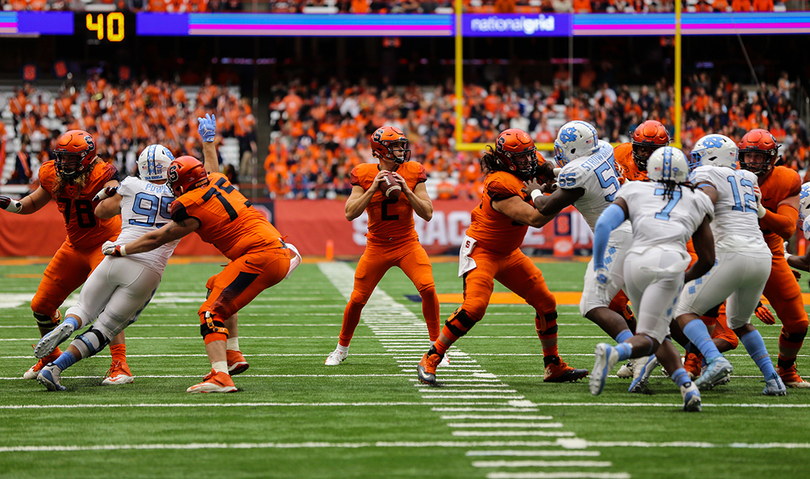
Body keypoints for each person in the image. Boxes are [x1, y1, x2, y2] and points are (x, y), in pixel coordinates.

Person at [101, 115, 301, 393]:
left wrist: (122, 248)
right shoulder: (217, 179)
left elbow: (158, 237)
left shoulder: (189, 203)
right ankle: (232, 355)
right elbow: (211, 170)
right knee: (215, 286)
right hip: (273, 249)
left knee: (210, 311)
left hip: (261, 256)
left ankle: (220, 377)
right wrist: (208, 142)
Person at [416, 128, 588, 386]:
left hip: (509, 252)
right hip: (483, 251)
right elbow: (536, 218)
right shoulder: (499, 183)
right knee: (474, 308)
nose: (528, 161)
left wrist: (558, 177)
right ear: (506, 160)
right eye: (521, 158)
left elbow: (548, 168)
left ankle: (553, 365)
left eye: (530, 155)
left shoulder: (530, 162)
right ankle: (431, 357)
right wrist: (559, 195)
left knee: (546, 303)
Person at [34, 145, 182, 391]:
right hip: (145, 268)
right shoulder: (183, 198)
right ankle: (56, 368)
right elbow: (161, 237)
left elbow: (101, 210)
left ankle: (70, 323)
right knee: (104, 328)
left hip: (112, 257)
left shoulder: (131, 184)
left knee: (83, 308)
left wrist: (108, 193)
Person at [0, 130, 133, 385]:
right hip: (74, 246)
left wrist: (111, 193)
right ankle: (50, 357)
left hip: (104, 244)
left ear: (87, 158)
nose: (63, 163)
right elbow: (29, 204)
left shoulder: (101, 172)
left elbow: (113, 194)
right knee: (41, 305)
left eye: (71, 158)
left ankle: (120, 364)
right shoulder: (52, 173)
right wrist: (8, 203)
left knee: (107, 304)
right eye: (61, 157)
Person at [589, 146, 715, 412]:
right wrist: (683, 278)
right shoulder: (697, 198)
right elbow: (707, 259)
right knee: (651, 336)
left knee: (659, 333)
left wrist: (599, 264)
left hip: (635, 264)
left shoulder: (634, 189)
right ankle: (615, 353)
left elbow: (603, 225)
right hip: (668, 263)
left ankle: (687, 389)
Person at [531, 121, 641, 385]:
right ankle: (694, 357)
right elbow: (586, 172)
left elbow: (545, 207)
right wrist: (554, 172)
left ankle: (640, 353)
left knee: (592, 304)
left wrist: (533, 191)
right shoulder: (604, 149)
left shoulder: (577, 172)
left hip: (618, 237)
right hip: (638, 228)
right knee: (646, 305)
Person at [674, 135, 784, 395]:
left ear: (712, 157)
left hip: (730, 252)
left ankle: (714, 359)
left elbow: (708, 197)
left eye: (698, 157)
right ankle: (773, 379)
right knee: (740, 321)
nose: (695, 163)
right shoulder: (749, 178)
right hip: (760, 255)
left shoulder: (706, 173)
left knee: (684, 311)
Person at [324, 126, 441, 366]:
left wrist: (407, 190)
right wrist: (372, 188)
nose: (401, 150)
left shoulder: (413, 171)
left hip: (407, 243)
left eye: (401, 145)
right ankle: (341, 349)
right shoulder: (364, 173)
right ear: (380, 150)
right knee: (357, 299)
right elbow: (349, 213)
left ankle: (437, 347)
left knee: (428, 288)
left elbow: (428, 213)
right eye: (396, 146)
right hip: (377, 246)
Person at [738, 129, 810, 388]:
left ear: (772, 158)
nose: (752, 161)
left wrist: (760, 210)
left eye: (758, 156)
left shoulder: (786, 179)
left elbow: (788, 228)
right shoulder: (729, 176)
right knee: (716, 323)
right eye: (748, 156)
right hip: (730, 249)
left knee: (798, 322)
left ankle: (786, 370)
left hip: (769, 251)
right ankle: (693, 361)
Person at [607, 119, 670, 379]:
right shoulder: (620, 153)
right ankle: (641, 351)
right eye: (641, 148)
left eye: (651, 150)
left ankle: (696, 357)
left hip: (656, 240)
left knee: (664, 306)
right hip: (625, 238)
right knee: (613, 301)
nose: (644, 154)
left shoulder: (671, 169)